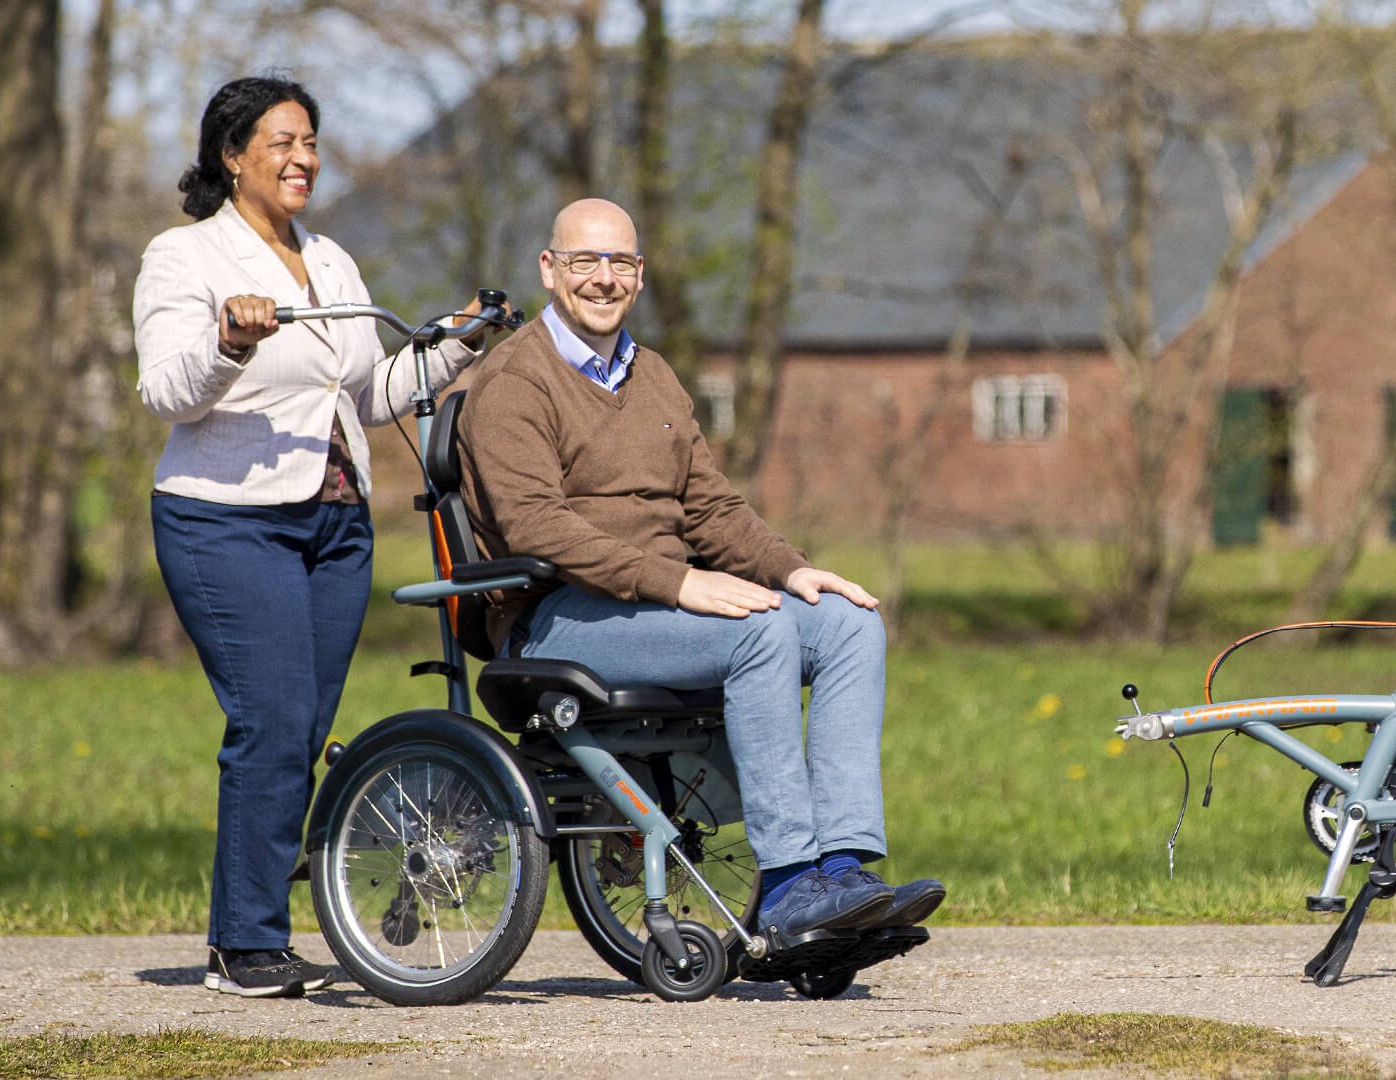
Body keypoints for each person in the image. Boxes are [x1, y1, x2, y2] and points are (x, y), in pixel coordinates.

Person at [458, 198, 945, 942]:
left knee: (849, 625)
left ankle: (844, 876)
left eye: (620, 262)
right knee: (758, 636)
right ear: (549, 270)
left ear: (641, 275)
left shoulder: (652, 375)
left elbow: (710, 509)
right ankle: (787, 885)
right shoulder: (514, 381)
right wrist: (679, 583)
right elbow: (537, 526)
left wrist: (792, 571)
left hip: (654, 607)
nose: (604, 278)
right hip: (556, 616)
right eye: (585, 260)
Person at [134, 75, 494, 997]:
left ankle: (247, 926)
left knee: (302, 730)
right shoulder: (184, 258)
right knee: (274, 719)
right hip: (226, 519)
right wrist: (230, 341)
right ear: (232, 155)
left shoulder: (330, 260)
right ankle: (246, 945)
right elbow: (168, 391)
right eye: (283, 142)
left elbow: (368, 395)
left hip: (335, 521)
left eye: (311, 142)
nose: (304, 159)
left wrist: (453, 343)